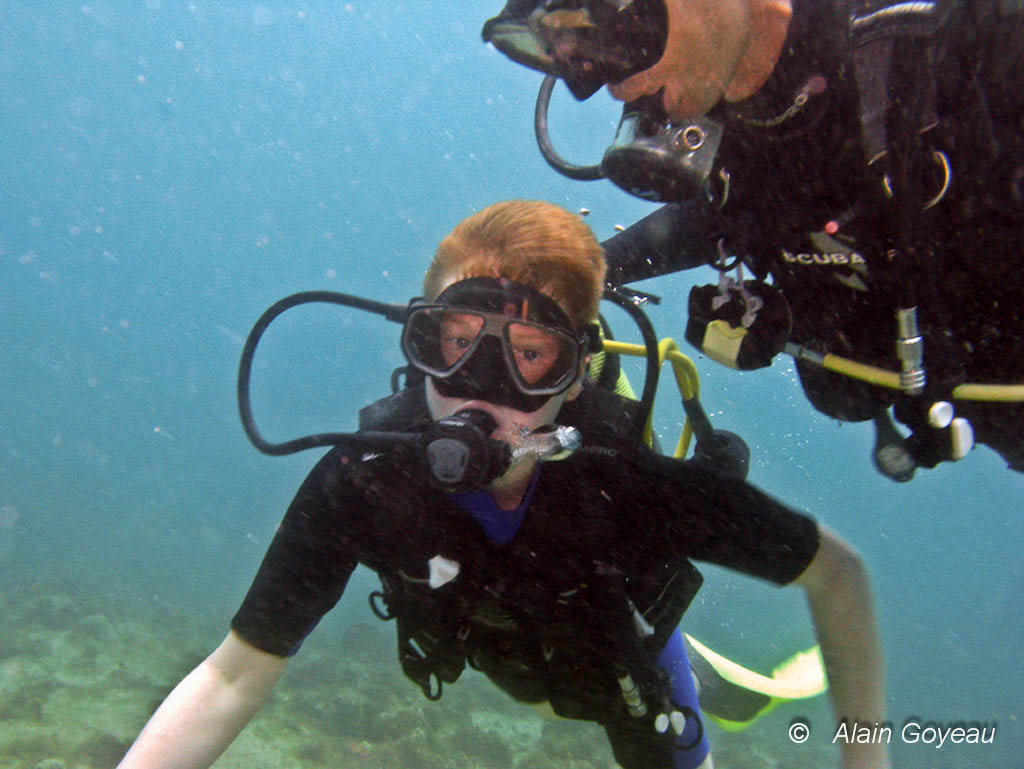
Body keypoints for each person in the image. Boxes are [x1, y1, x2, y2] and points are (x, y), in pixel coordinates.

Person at [117, 201, 889, 769]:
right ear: (419, 342)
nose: (478, 391)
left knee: (667, 710)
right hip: (504, 654)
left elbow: (839, 573)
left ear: (575, 370)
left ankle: (696, 667)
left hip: (618, 672)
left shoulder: (630, 488)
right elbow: (232, 673)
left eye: (529, 356)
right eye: (454, 345)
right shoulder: (365, 480)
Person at [482, 0, 1024, 482]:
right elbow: (711, 221)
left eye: (602, 26)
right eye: (562, 54)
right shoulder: (730, 143)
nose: (594, 82)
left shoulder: (973, 44)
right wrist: (569, 280)